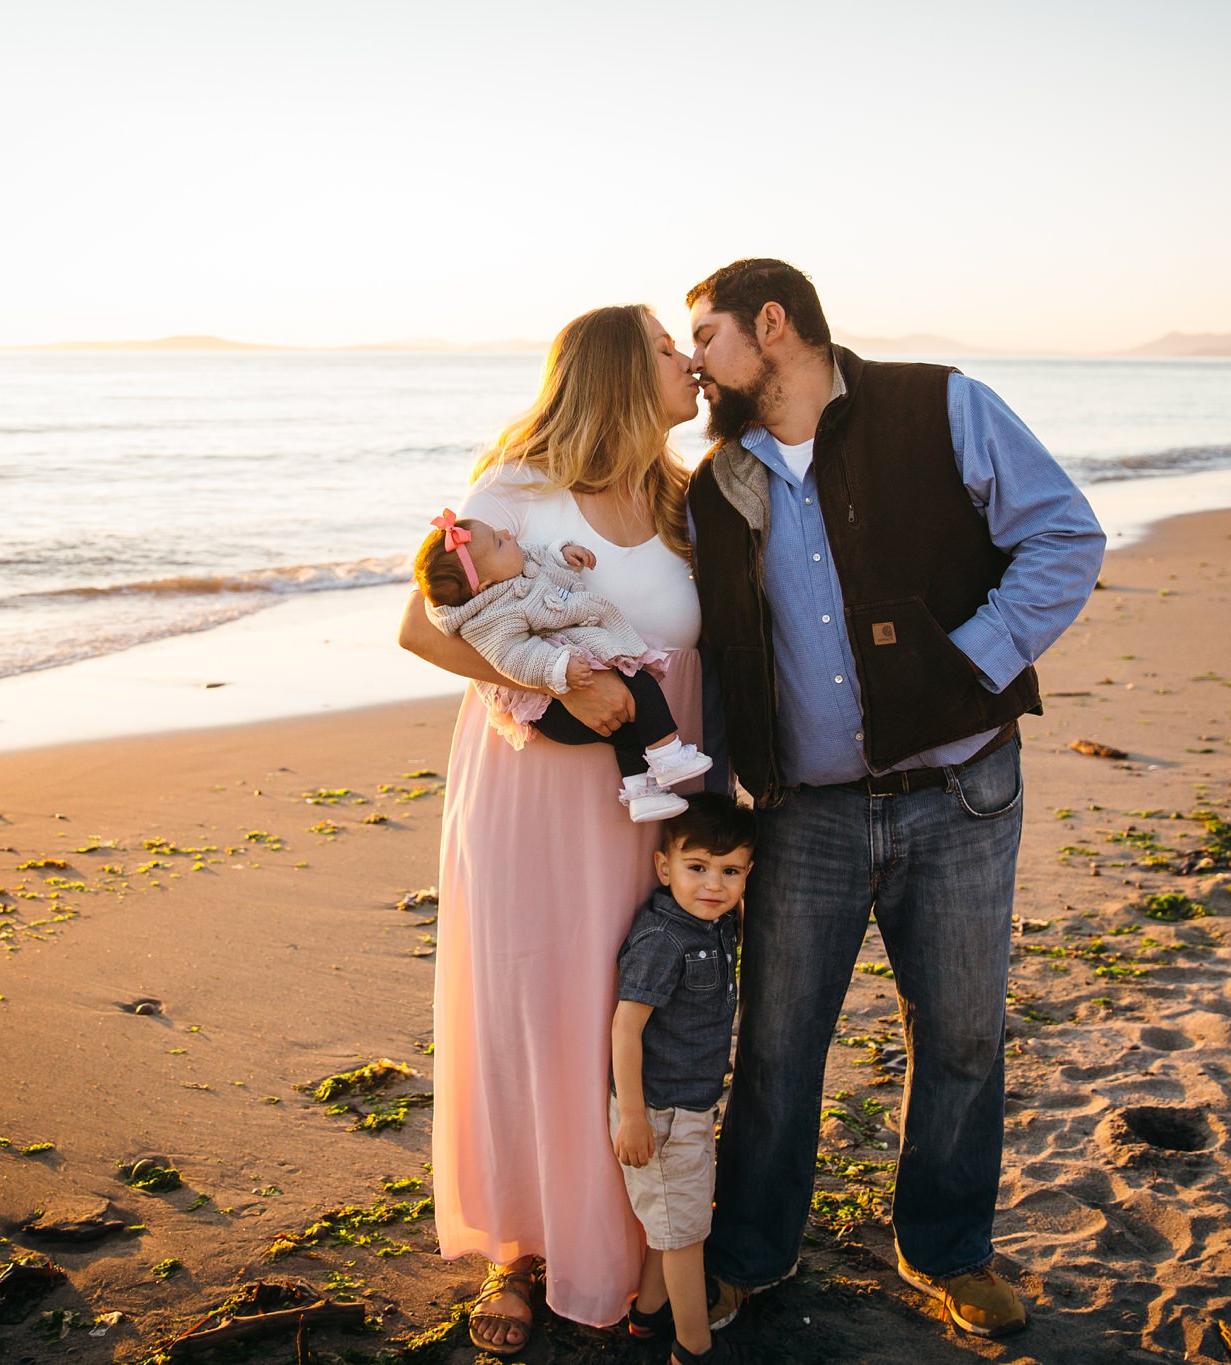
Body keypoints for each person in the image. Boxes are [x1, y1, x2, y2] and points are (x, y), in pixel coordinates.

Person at [683, 259, 1106, 1338]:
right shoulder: (716, 482)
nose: (694, 361)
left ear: (771, 325)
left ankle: (948, 1251)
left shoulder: (942, 403)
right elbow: (724, 653)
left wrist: (967, 662)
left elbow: (1064, 534)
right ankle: (748, 1255)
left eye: (706, 334)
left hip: (959, 790)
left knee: (961, 1035)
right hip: (803, 814)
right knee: (777, 1046)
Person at [397, 303, 706, 1354]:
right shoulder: (514, 491)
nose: (692, 363)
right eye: (671, 349)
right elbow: (419, 627)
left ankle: (642, 1239)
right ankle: (522, 1248)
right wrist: (560, 688)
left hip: (653, 797)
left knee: (639, 1007)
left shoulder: (680, 500)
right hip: (538, 792)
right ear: (622, 372)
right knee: (538, 1003)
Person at [412, 510, 711, 820]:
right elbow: (513, 657)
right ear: (485, 586)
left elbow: (536, 555)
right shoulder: (492, 618)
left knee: (626, 732)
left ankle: (642, 793)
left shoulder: (512, 566)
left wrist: (561, 554)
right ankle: (668, 756)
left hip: (571, 669)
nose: (507, 533)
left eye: (499, 533)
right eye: (499, 542)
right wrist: (558, 667)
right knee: (640, 685)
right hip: (553, 702)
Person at [609, 793, 756, 1365]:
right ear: (664, 867)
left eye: (730, 871)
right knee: (687, 1236)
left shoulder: (713, 924)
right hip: (661, 1115)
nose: (713, 884)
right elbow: (626, 1028)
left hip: (691, 1106)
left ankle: (647, 1316)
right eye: (697, 868)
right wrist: (635, 1117)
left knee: (674, 1222)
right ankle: (694, 1347)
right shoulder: (663, 940)